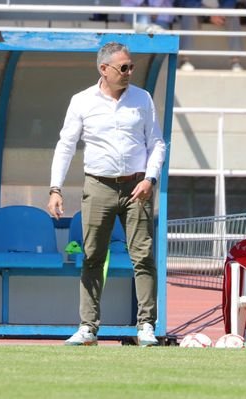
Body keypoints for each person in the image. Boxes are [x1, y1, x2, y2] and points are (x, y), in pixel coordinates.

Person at [48, 42, 166, 346]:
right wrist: (55, 188)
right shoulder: (82, 101)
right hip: (98, 185)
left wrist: (150, 179)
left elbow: (157, 143)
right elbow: (65, 145)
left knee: (143, 257)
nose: (129, 72)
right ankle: (88, 327)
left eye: (131, 66)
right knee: (92, 256)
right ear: (104, 69)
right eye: (123, 67)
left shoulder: (143, 98)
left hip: (137, 186)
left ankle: (146, 326)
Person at [177, 0, 244, 71]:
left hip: (220, 12)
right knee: (189, 15)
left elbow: (229, 2)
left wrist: (223, 12)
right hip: (198, 10)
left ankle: (235, 61)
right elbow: (188, 3)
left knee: (233, 17)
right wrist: (209, 15)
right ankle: (185, 60)